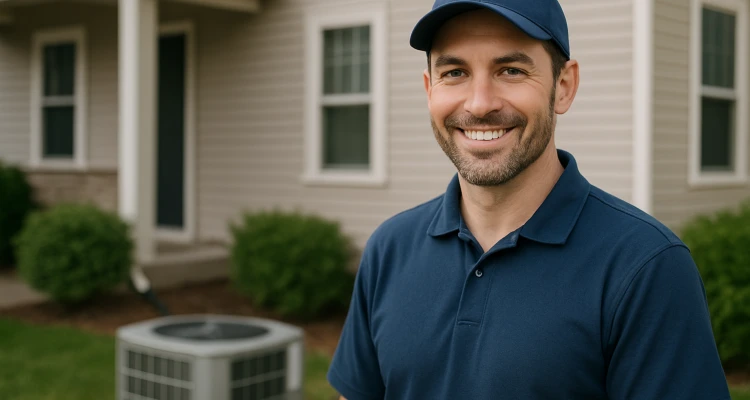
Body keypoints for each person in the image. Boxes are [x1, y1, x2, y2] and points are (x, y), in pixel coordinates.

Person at [326, 0, 732, 398]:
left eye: (511, 70)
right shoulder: (390, 248)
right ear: (430, 89)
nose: (480, 103)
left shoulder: (645, 266)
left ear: (563, 86)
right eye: (455, 72)